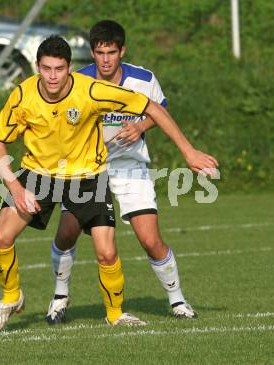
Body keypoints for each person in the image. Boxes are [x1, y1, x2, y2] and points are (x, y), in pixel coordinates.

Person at [0, 35, 217, 333]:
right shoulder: (22, 95)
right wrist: (15, 187)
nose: (52, 76)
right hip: (38, 173)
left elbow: (152, 107)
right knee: (2, 237)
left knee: (106, 252)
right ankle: (11, 298)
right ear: (37, 67)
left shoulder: (91, 90)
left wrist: (189, 151)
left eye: (59, 69)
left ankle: (115, 314)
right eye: (46, 68)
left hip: (86, 176)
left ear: (70, 68)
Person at [45, 20, 218, 324]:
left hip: (130, 166)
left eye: (111, 51)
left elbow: (159, 111)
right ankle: (59, 299)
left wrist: (142, 127)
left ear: (122, 50)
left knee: (151, 240)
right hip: (87, 169)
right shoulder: (77, 82)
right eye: (99, 52)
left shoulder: (143, 79)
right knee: (67, 232)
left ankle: (178, 302)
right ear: (93, 53)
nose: (106, 59)